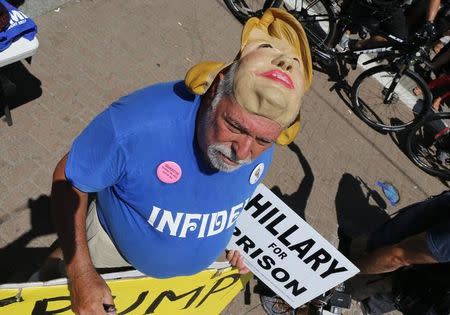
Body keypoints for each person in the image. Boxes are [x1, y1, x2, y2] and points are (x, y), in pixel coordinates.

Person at [47, 8, 313, 315]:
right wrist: (80, 273)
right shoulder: (136, 125)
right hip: (108, 252)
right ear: (215, 88)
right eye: (235, 126)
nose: (243, 152)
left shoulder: (260, 139)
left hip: (174, 286)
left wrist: (224, 244)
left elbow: (227, 197)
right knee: (51, 283)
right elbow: (68, 179)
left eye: (263, 140)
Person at [349, 191, 450, 314]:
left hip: (401, 279)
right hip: (385, 262)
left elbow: (398, 256)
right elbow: (398, 256)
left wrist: (346, 269)